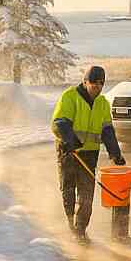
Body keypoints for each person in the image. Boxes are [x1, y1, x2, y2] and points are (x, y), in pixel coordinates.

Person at [52, 65, 124, 243]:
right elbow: (59, 122)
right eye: (93, 84)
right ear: (85, 82)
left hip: (89, 155)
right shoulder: (70, 97)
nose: (97, 88)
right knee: (68, 189)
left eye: (100, 84)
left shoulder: (102, 103)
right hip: (69, 152)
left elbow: (107, 131)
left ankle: (80, 230)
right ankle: (70, 225)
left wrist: (115, 154)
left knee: (87, 195)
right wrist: (70, 141)